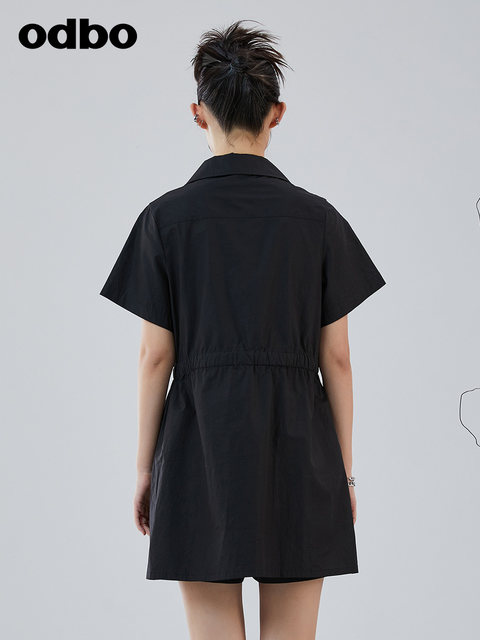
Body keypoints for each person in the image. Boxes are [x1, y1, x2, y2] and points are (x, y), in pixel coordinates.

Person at [99, 18, 386, 640]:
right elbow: (337, 359)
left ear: (197, 113)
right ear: (276, 113)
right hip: (300, 446)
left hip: (198, 443)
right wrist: (343, 474)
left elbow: (154, 358)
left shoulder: (165, 220)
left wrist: (146, 470)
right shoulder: (317, 220)